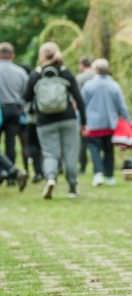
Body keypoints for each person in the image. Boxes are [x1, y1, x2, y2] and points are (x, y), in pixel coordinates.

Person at [24, 42, 86, 199]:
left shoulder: (36, 74)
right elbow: (79, 98)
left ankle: (51, 178)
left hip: (44, 121)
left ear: (41, 56)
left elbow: (26, 98)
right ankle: (72, 187)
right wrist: (84, 122)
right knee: (70, 153)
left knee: (50, 153)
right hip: (68, 119)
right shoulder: (65, 73)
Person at [82, 58, 130, 187]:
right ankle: (109, 176)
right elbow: (122, 106)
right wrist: (128, 121)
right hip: (110, 124)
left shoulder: (88, 86)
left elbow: (82, 105)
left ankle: (98, 173)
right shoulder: (114, 85)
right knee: (109, 150)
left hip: (93, 124)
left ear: (95, 70)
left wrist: (82, 122)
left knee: (94, 149)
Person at [0, 42, 28, 172]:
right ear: (13, 55)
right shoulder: (20, 72)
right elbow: (25, 92)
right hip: (15, 109)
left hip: (0, 108)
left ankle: (2, 171)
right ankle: (11, 173)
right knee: (10, 142)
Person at [76, 56, 95, 174]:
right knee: (96, 140)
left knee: (83, 141)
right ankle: (98, 165)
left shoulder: (79, 78)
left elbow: (76, 97)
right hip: (97, 111)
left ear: (82, 65)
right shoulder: (97, 76)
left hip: (83, 111)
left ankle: (82, 166)